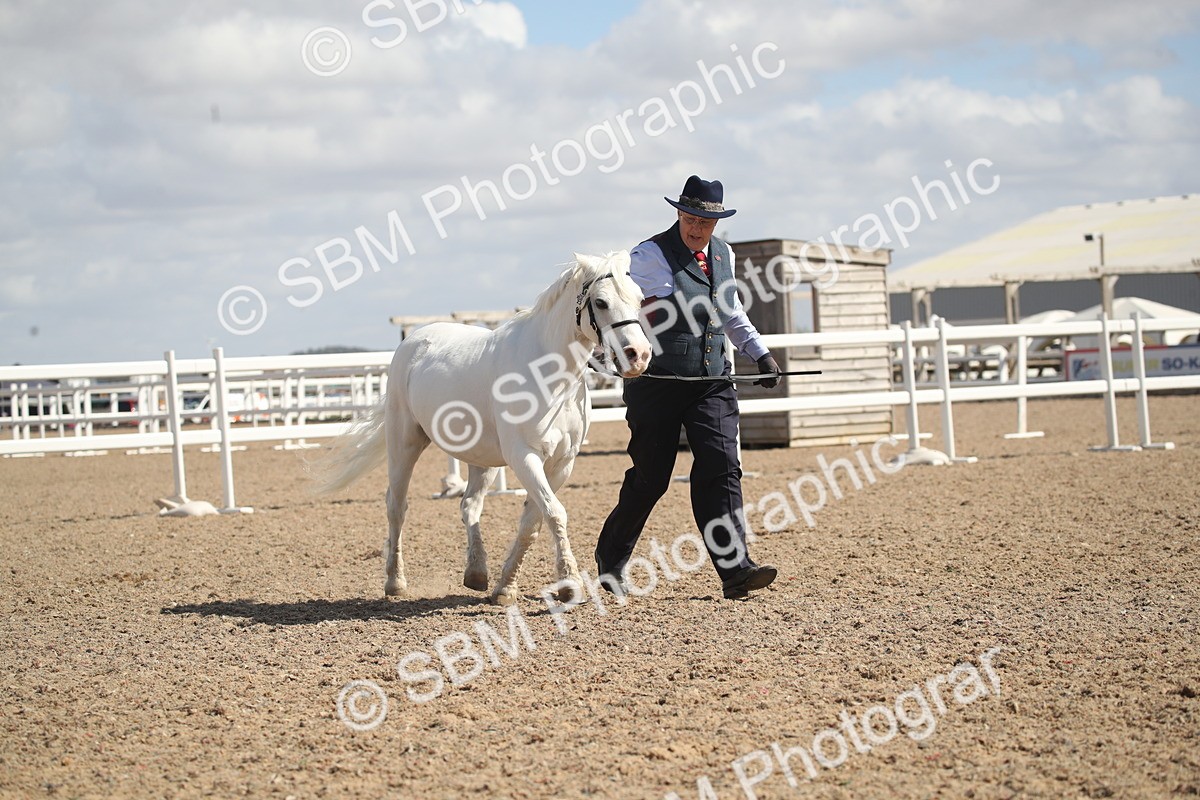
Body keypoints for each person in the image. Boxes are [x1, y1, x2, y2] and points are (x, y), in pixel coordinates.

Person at [595, 175, 780, 599]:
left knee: (722, 468)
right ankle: (611, 556)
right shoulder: (647, 255)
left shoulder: (723, 254)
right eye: (691, 218)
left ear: (716, 222)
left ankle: (735, 569)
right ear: (679, 212)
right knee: (651, 478)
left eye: (706, 222)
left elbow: (730, 312)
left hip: (712, 380)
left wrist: (760, 353)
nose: (697, 228)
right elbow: (629, 314)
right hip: (657, 383)